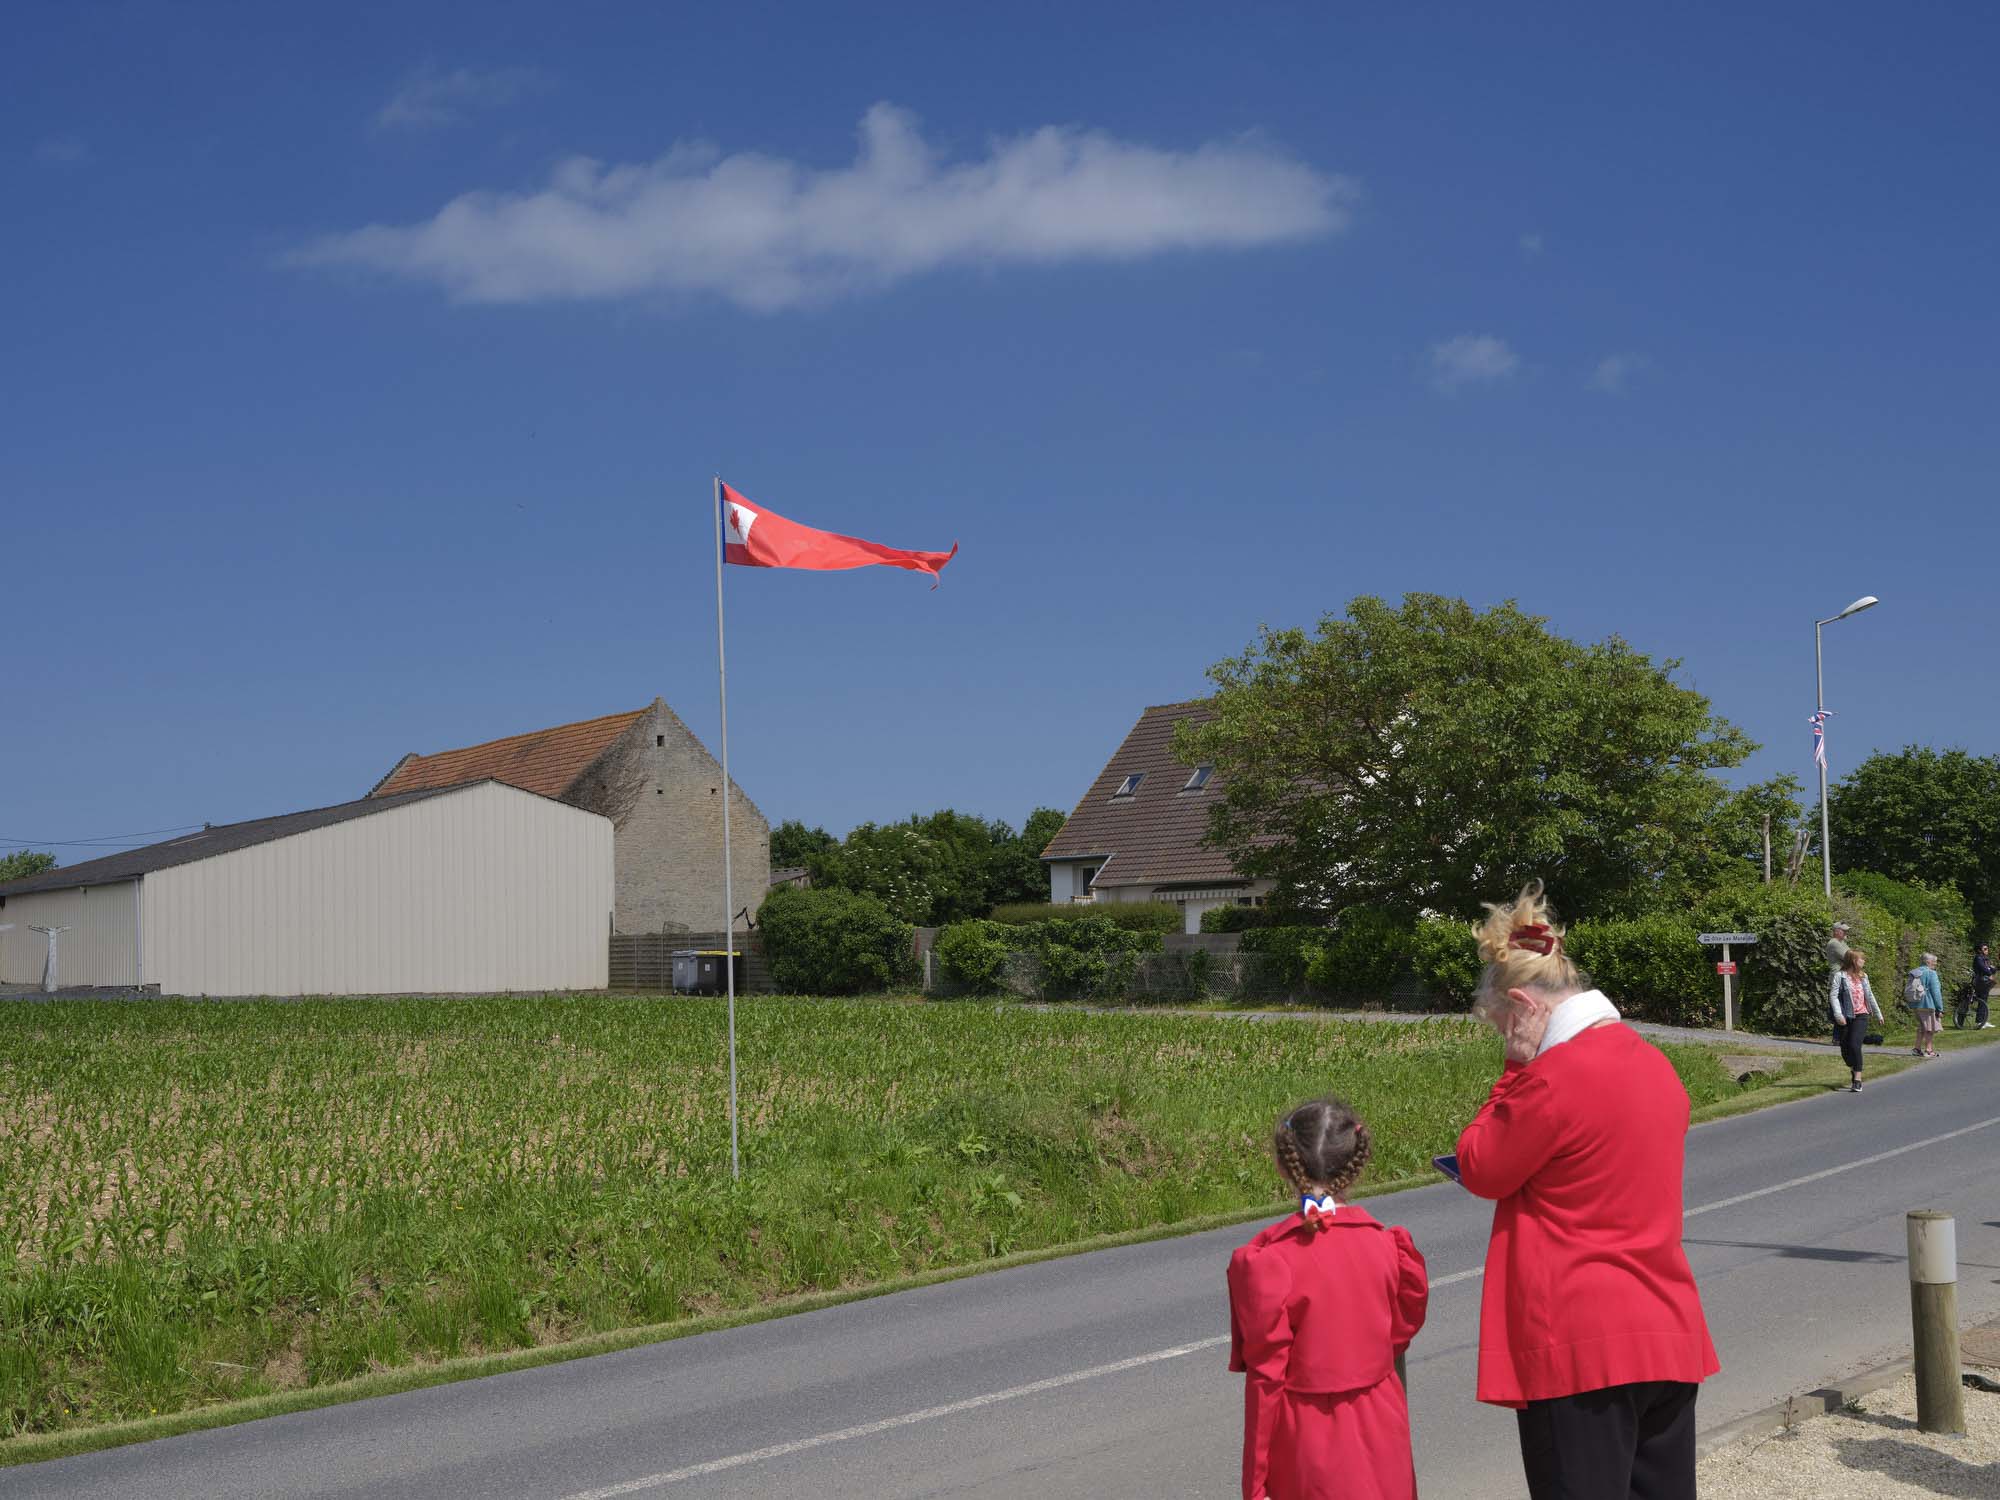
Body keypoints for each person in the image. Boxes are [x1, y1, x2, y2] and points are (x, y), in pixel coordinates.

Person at [1455, 882, 1717, 1500]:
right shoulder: (1655, 1063)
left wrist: (1513, 1070)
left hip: (1580, 1344)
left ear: (1521, 1006)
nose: (1502, 1036)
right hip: (1667, 1331)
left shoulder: (1549, 1078)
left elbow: (1480, 1165)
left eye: (1500, 1024)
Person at [1227, 1096, 1429, 1500]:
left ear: (1283, 1164)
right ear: (1356, 1164)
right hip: (1382, 1424)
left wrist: (1255, 1483)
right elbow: (1401, 1329)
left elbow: (1266, 1382)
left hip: (1309, 1437)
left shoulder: (1271, 1261)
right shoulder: (1388, 1245)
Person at [1831, 948, 1876, 1091]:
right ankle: (1853, 1066)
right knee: (1845, 1050)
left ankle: (1857, 1079)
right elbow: (1833, 996)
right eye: (1861, 959)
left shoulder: (1864, 976)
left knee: (1855, 1045)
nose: (1864, 961)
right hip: (1846, 1016)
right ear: (1853, 961)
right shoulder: (1840, 976)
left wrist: (1878, 1013)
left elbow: (1869, 995)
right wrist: (1839, 1015)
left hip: (1861, 1015)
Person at [1907, 952, 1944, 1059]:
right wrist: (1940, 1008)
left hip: (1916, 1003)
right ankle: (1929, 1050)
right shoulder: (1931, 973)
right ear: (1928, 962)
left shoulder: (1915, 972)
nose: (1935, 964)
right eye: (1934, 962)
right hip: (1928, 1004)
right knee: (1930, 1028)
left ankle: (1917, 1049)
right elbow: (1936, 992)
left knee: (1922, 1026)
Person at [1971, 942, 1996, 1030]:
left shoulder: (1984, 958)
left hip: (1984, 981)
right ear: (1979, 950)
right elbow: (1985, 969)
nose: (1987, 950)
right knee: (1982, 1000)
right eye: (1985, 949)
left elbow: (1993, 969)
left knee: (1984, 1000)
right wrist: (1989, 970)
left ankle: (1983, 1020)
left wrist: (1990, 970)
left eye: (1987, 948)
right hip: (1980, 981)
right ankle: (1980, 1022)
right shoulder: (1978, 958)